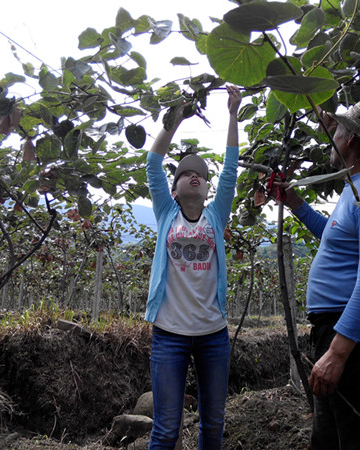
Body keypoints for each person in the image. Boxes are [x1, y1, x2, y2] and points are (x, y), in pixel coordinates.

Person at [267, 93, 360, 449]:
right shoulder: (357, 187)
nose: (333, 137)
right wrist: (293, 201)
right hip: (342, 330)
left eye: (340, 130)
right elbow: (332, 234)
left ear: (354, 141)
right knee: (331, 438)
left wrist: (338, 353)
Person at [144, 85, 241, 449]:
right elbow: (153, 164)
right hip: (169, 334)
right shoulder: (167, 214)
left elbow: (230, 170)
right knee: (166, 429)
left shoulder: (216, 214)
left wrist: (232, 115)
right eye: (186, 172)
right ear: (174, 188)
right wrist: (175, 119)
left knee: (212, 426)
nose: (194, 174)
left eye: (200, 173)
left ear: (207, 188)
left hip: (213, 335)